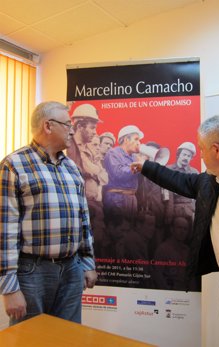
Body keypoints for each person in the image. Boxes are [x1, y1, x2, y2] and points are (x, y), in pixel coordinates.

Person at [131, 115, 219, 347]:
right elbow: (179, 180)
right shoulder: (212, 181)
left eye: (201, 149)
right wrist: (146, 166)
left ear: (217, 150)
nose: (200, 155)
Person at [0, 101, 97, 326]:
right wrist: (9, 288)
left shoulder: (71, 167)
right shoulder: (14, 165)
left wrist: (88, 261)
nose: (72, 130)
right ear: (48, 126)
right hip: (32, 271)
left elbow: (83, 220)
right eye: (67, 124)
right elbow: (5, 229)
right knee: (30, 339)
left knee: (68, 338)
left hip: (72, 270)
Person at [103, 125, 144, 225]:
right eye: (136, 139)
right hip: (117, 199)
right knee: (118, 232)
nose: (139, 143)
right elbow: (119, 173)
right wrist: (139, 166)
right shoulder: (113, 153)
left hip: (132, 199)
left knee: (130, 233)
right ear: (126, 139)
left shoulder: (134, 157)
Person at [164, 141, 199, 226]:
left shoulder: (194, 173)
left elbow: (197, 195)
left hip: (190, 211)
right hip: (173, 211)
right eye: (184, 155)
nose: (186, 158)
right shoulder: (168, 170)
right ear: (178, 155)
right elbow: (166, 195)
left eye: (189, 156)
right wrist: (169, 214)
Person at [67, 102, 101, 175]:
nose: (95, 132)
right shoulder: (68, 146)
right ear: (79, 127)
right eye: (92, 128)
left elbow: (103, 176)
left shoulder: (91, 147)